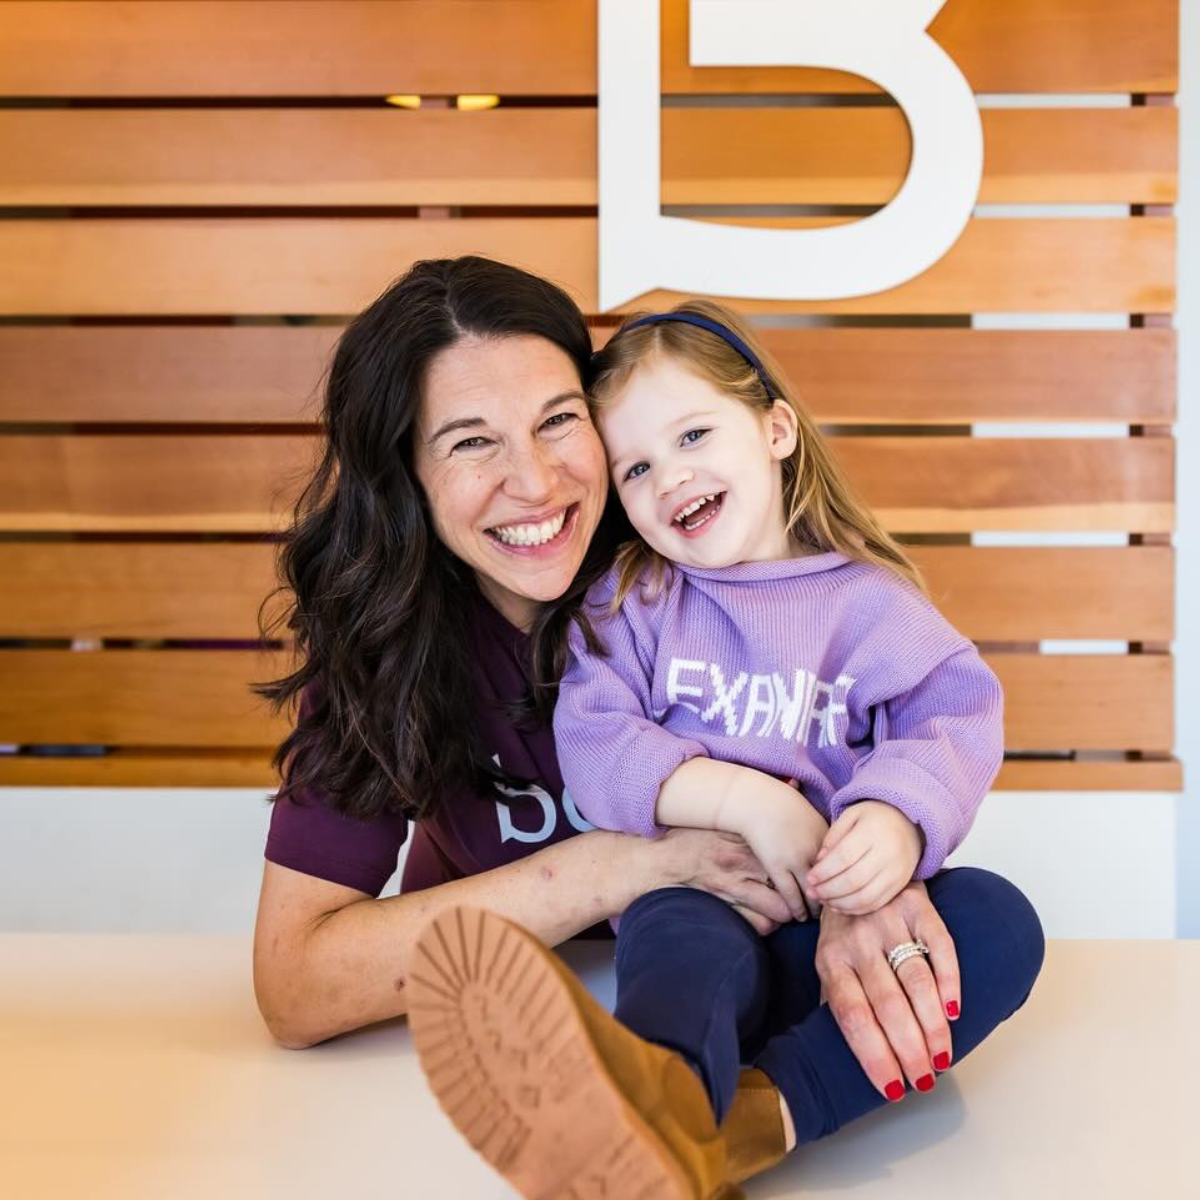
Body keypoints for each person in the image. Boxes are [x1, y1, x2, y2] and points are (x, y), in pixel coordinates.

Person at [252, 257, 1044, 1200]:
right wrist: (640, 860)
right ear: (407, 476)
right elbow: (296, 984)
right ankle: (659, 1106)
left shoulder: (709, 558)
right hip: (589, 991)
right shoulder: (481, 628)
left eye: (558, 422)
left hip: (795, 942)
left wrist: (883, 860)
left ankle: (732, 1131)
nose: (535, 481)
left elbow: (940, 714)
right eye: (471, 442)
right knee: (683, 938)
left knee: (996, 923)